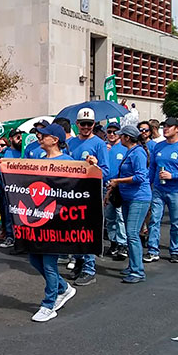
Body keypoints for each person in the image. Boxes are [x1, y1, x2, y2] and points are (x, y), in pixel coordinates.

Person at [27, 123, 76, 322]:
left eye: (44, 136)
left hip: (56, 218)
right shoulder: (40, 158)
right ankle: (63, 288)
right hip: (38, 216)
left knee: (49, 262)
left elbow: (75, 187)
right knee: (34, 259)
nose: (40, 138)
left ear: (55, 140)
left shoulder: (67, 161)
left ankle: (49, 303)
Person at [144, 117, 178, 264]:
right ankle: (152, 250)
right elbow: (153, 168)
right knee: (155, 219)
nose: (165, 129)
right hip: (159, 189)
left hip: (176, 191)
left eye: (169, 126)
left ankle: (174, 250)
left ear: (177, 129)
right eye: (164, 126)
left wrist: (173, 176)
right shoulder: (158, 146)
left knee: (176, 221)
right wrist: (148, 183)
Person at [65, 108, 109, 286]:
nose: (86, 127)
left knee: (87, 231)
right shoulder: (71, 143)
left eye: (89, 124)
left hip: (90, 193)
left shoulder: (99, 144)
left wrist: (95, 165)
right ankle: (79, 262)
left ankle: (90, 268)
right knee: (74, 231)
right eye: (83, 124)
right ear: (77, 125)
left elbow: (106, 171)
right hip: (73, 193)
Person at [106, 125, 151, 283]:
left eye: (121, 135)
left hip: (138, 198)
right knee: (131, 232)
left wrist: (118, 181)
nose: (118, 137)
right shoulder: (132, 151)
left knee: (132, 234)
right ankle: (133, 266)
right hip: (129, 197)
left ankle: (138, 271)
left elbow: (140, 176)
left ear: (127, 137)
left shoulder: (137, 153)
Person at [0, 129, 23, 249]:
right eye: (17, 137)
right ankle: (10, 237)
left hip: (22, 190)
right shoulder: (4, 153)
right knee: (8, 214)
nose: (19, 139)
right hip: (7, 189)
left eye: (21, 137)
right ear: (10, 139)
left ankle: (21, 240)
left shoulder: (24, 152)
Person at [104, 122, 128, 260]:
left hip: (119, 187)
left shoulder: (124, 148)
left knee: (120, 217)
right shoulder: (104, 147)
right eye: (109, 131)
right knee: (109, 216)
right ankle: (113, 242)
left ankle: (122, 244)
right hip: (105, 186)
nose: (112, 134)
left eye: (115, 132)